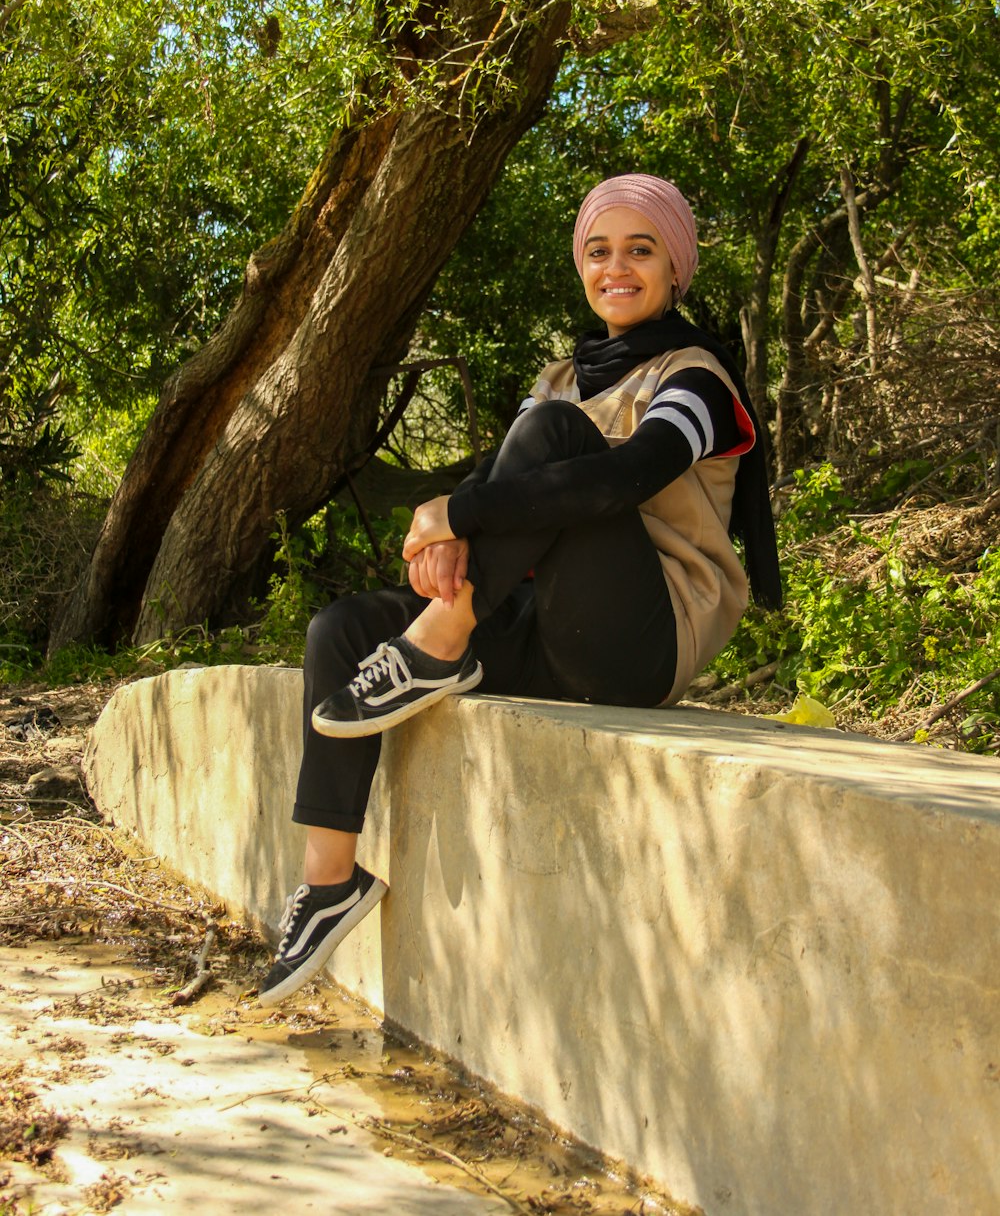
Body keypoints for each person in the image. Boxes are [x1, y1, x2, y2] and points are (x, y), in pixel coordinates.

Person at [259, 174, 781, 1005]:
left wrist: (456, 512)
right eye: (599, 251)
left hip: (639, 643)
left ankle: (441, 638)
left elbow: (625, 478)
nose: (618, 267)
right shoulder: (561, 374)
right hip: (540, 625)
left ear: (676, 267)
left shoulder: (698, 378)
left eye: (641, 250)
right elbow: (506, 492)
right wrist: (452, 537)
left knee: (554, 436)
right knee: (341, 631)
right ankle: (329, 885)